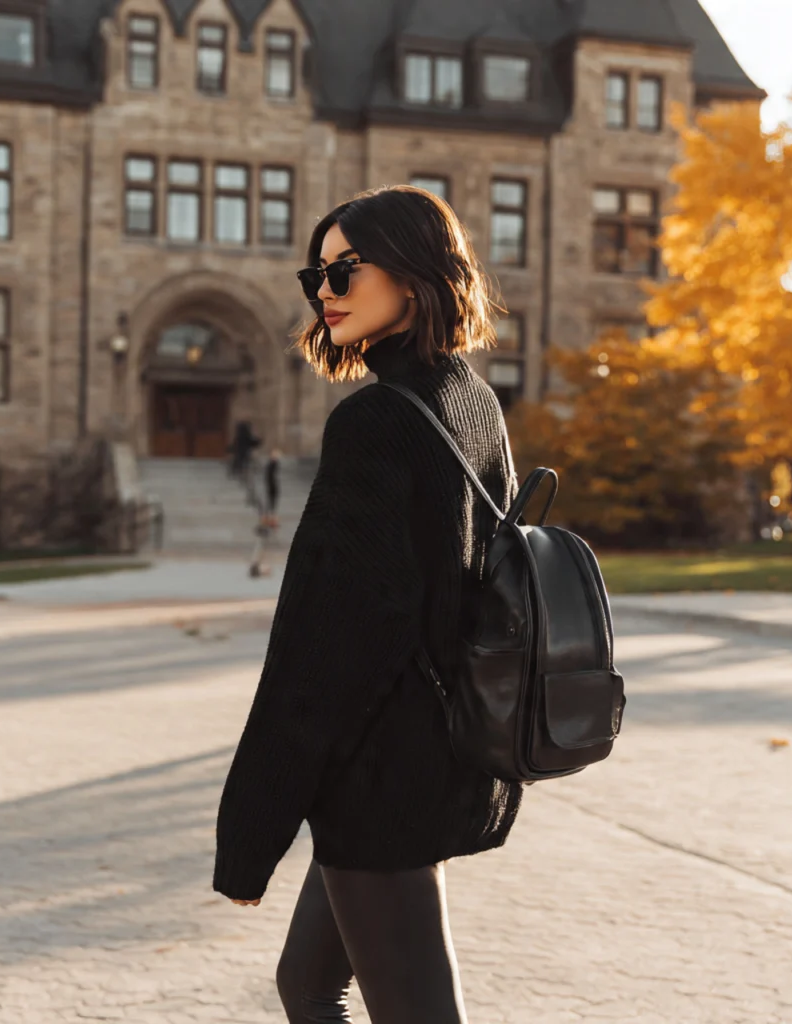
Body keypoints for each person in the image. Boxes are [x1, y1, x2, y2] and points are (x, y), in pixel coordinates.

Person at [213, 185, 522, 1023]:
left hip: (382, 776)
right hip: (441, 750)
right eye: (317, 271)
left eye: (346, 269)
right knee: (308, 987)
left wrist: (249, 837)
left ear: (416, 277)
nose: (324, 290)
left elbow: (323, 652)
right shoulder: (470, 400)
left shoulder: (377, 424)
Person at [263, 447, 282, 528]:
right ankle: (270, 519)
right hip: (272, 485)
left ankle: (270, 518)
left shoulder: (273, 464)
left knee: (272, 503)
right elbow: (269, 476)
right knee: (271, 503)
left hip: (272, 485)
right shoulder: (272, 464)